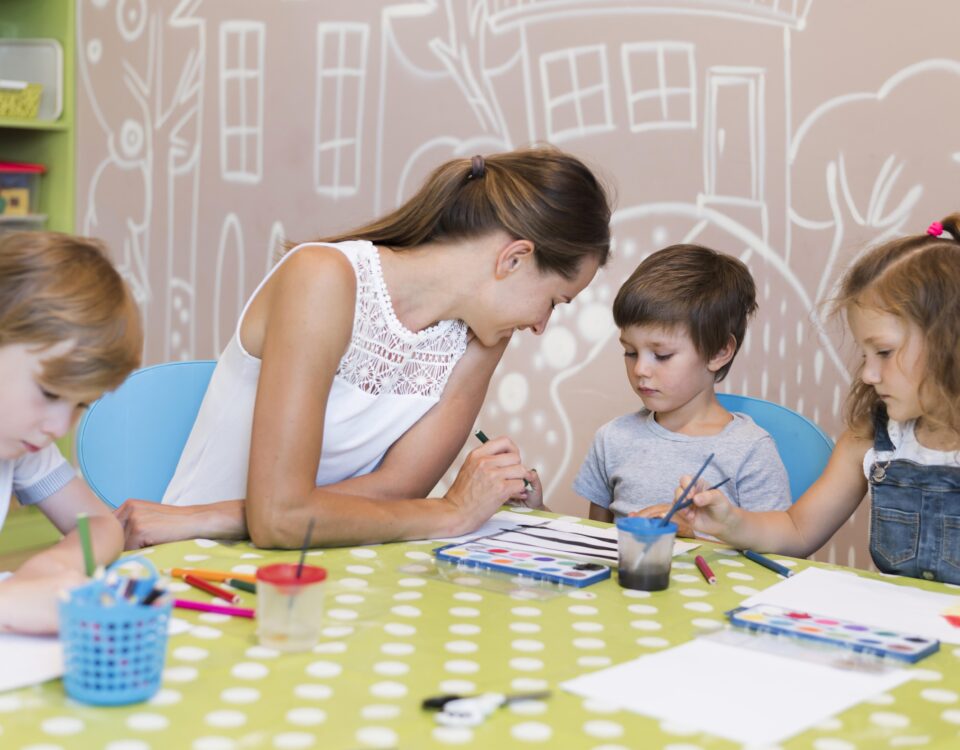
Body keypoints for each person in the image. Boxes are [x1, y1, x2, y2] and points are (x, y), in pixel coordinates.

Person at [117, 146, 612, 549]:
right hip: (199, 561)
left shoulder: (481, 337)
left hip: (334, 559)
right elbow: (279, 520)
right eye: (554, 300)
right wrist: (450, 511)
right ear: (514, 259)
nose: (542, 325)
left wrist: (217, 517)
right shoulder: (324, 280)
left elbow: (394, 494)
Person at [681, 215, 960, 584]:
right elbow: (797, 530)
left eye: (885, 352)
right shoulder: (870, 439)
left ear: (949, 342)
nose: (868, 375)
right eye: (865, 355)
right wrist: (730, 522)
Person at [573, 244, 790, 535]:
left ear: (718, 352)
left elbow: (776, 558)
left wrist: (691, 537)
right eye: (630, 352)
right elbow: (594, 542)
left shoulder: (750, 452)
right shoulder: (612, 439)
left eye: (661, 356)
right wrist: (534, 507)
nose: (640, 370)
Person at [0, 231, 141, 633]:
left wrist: (54, 565)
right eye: (48, 393)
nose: (59, 427)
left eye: (80, 404)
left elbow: (98, 524)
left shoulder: (22, 444)